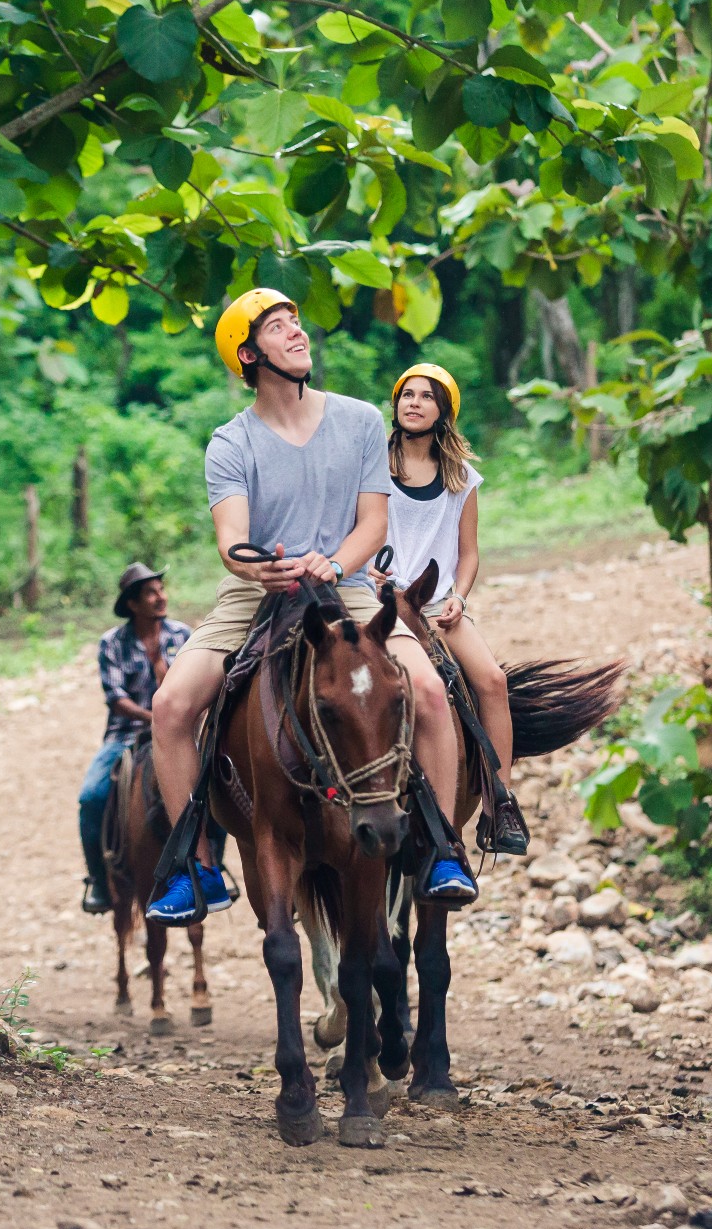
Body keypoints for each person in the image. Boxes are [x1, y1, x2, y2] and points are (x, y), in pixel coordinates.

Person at [144, 288, 479, 927]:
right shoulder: (229, 443)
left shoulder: (357, 421)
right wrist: (259, 566)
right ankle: (195, 866)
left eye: (295, 321)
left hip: (347, 586)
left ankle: (442, 847)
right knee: (169, 707)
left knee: (432, 693)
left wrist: (335, 561)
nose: (296, 332)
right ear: (248, 354)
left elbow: (374, 524)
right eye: (277, 327)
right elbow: (230, 540)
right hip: (256, 593)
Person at [382, 363, 530, 855]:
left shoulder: (461, 478)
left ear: (443, 410)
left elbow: (468, 554)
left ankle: (499, 804)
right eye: (407, 394)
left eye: (426, 396)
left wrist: (459, 599)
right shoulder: (372, 464)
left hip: (438, 603)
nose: (414, 403)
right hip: (378, 599)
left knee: (492, 680)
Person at [77, 562, 190, 915]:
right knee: (92, 797)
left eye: (161, 589)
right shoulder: (112, 643)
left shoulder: (183, 636)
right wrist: (154, 717)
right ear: (133, 604)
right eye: (151, 593)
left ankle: (210, 867)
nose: (161, 597)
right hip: (127, 736)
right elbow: (116, 698)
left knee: (215, 788)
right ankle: (99, 878)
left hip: (178, 735)